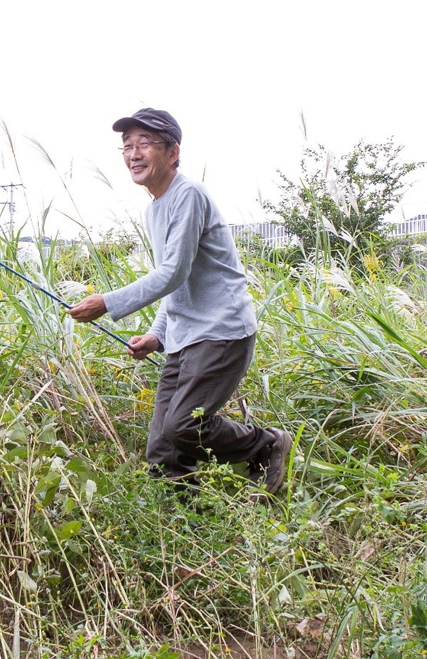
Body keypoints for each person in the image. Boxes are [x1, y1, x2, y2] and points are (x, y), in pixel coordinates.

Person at [67, 108, 291, 498]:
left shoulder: (188, 194)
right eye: (127, 146)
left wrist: (108, 302)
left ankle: (267, 444)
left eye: (144, 144)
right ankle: (183, 521)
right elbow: (177, 285)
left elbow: (171, 272)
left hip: (221, 332)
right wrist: (156, 335)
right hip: (186, 337)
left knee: (186, 426)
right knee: (164, 450)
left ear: (172, 153)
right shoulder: (156, 207)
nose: (133, 154)